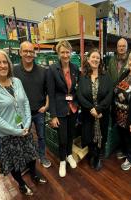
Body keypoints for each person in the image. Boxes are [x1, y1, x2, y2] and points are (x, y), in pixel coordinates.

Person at [0, 50, 47, 196]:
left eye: (5, 62)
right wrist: (16, 130)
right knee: (14, 164)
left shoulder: (16, 81)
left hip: (24, 129)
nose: (3, 65)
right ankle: (22, 185)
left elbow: (25, 103)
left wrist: (27, 123)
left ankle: (34, 176)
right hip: (7, 135)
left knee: (31, 157)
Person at [14, 41, 51, 168]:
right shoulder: (14, 71)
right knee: (23, 137)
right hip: (21, 114)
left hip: (39, 112)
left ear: (34, 53)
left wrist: (46, 106)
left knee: (41, 137)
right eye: (25, 51)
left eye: (31, 51)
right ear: (20, 53)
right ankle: (27, 159)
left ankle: (42, 156)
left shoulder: (42, 71)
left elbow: (48, 91)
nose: (29, 54)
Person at [77, 48, 113, 171]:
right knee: (89, 134)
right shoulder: (83, 76)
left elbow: (109, 94)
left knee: (101, 134)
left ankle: (98, 156)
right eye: (93, 57)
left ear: (100, 60)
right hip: (88, 114)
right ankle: (92, 154)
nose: (95, 59)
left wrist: (98, 109)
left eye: (98, 57)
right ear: (88, 59)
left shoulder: (105, 76)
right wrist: (91, 109)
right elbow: (80, 95)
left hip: (102, 113)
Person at [47, 40, 78, 177]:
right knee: (62, 137)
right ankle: (62, 161)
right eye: (62, 52)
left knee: (71, 134)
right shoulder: (53, 69)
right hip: (60, 109)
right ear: (58, 53)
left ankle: (69, 155)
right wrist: (53, 115)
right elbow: (51, 94)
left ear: (71, 52)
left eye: (67, 52)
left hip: (72, 108)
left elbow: (75, 90)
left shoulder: (75, 68)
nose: (65, 55)